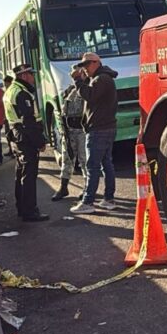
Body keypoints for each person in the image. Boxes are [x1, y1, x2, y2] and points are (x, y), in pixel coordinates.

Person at [68, 52, 118, 215]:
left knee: (93, 166)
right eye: (83, 65)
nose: (85, 68)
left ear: (97, 62)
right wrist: (83, 80)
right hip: (106, 127)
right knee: (106, 164)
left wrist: (77, 80)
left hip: (99, 129)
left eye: (87, 65)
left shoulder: (101, 79)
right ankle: (108, 199)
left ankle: (88, 201)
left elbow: (89, 95)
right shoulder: (102, 78)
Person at [3, 64, 49, 222]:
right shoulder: (22, 93)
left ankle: (22, 208)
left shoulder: (10, 91)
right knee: (29, 176)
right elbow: (29, 121)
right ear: (23, 76)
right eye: (30, 74)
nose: (33, 77)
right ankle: (30, 211)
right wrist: (40, 142)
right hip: (26, 137)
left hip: (16, 136)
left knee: (20, 173)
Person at [51, 75, 88, 201]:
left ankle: (88, 188)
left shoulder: (87, 89)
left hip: (82, 130)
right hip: (68, 131)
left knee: (85, 161)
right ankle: (63, 187)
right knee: (67, 159)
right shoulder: (69, 91)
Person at [1, 75, 17, 158]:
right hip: (7, 118)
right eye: (4, 84)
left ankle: (15, 151)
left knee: (14, 136)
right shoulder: (5, 92)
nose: (5, 86)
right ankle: (11, 150)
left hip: (14, 119)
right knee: (8, 136)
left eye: (6, 84)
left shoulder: (14, 91)